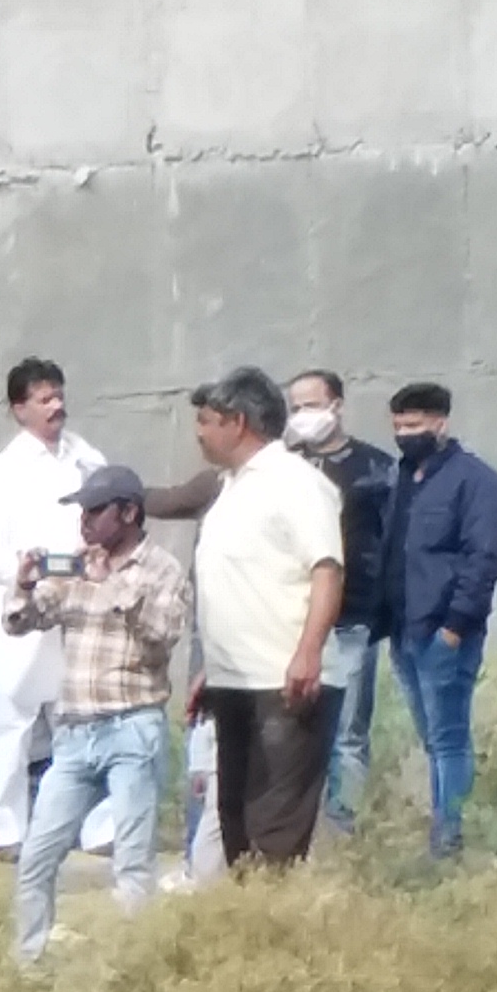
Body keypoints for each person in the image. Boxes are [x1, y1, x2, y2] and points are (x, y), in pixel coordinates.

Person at [0, 466, 193, 963]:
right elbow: (22, 622)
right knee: (39, 855)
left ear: (128, 513)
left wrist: (113, 586)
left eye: (95, 511)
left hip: (133, 725)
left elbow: (162, 633)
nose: (84, 522)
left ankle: (132, 966)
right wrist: (22, 586)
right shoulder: (77, 567)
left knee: (131, 861)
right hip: (76, 731)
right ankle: (29, 964)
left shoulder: (162, 569)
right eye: (81, 512)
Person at [183, 366, 347, 868]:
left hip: (286, 682)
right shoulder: (232, 486)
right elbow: (244, 585)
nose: (199, 432)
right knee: (235, 826)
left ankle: (274, 935)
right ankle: (246, 932)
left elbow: (327, 570)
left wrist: (308, 654)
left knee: (274, 831)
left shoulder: (294, 482)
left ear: (237, 423)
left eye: (207, 421)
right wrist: (212, 668)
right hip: (235, 680)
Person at [0, 359, 107, 856]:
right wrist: (27, 577)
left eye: (59, 395)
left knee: (77, 718)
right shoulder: (4, 470)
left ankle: (85, 826)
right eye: (44, 399)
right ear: (19, 408)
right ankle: (9, 831)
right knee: (14, 719)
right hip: (22, 607)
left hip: (74, 603)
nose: (56, 406)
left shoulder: (81, 457)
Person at [378, 383, 497, 857]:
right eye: (398, 426)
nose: (405, 434)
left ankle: (450, 840)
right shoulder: (403, 479)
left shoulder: (479, 482)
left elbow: (483, 562)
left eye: (414, 425)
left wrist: (454, 628)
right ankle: (443, 832)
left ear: (441, 423)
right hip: (403, 630)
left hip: (443, 632)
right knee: (432, 740)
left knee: (449, 739)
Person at [283, 371, 398, 836]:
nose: (302, 417)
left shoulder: (375, 469)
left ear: (337, 406)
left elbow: (392, 544)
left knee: (348, 733)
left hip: (351, 619)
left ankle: (342, 831)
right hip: (293, 617)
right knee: (294, 729)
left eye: (311, 405)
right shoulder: (288, 466)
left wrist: (381, 613)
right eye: (295, 408)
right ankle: (297, 828)